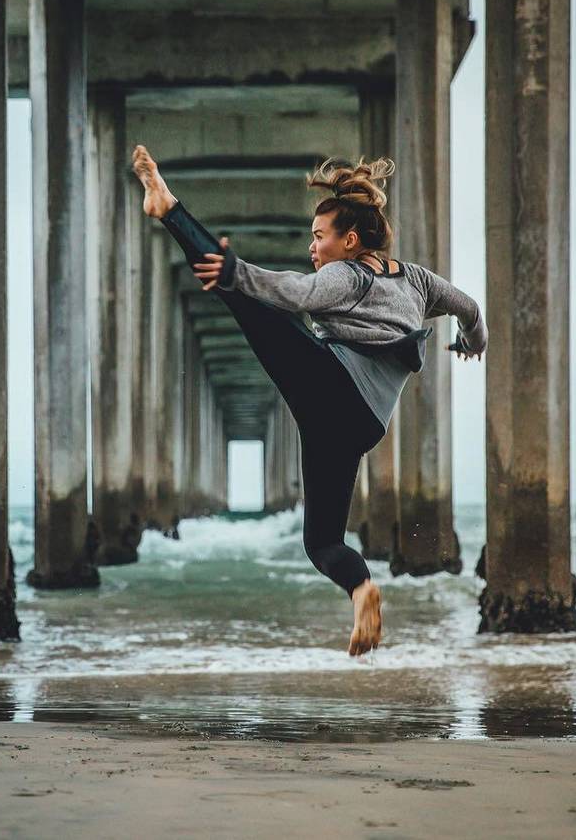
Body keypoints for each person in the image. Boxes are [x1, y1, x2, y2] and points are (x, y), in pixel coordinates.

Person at [131, 145, 487, 656]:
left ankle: (168, 208)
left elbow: (295, 294)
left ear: (351, 240)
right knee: (322, 544)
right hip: (360, 425)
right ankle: (362, 589)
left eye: (320, 237)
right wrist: (472, 343)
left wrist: (235, 272)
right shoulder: (420, 281)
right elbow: (470, 309)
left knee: (249, 305)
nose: (313, 248)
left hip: (333, 391)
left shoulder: (346, 276)